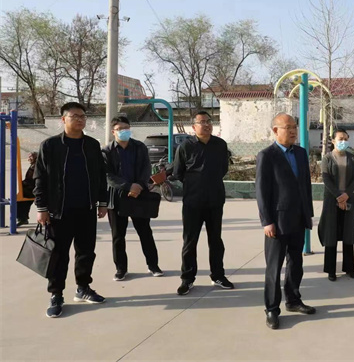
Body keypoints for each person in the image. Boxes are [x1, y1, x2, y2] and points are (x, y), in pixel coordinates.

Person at [33, 102, 108, 318]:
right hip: (59, 211)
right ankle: (56, 294)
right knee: (58, 255)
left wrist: (102, 202)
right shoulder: (50, 145)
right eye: (74, 116)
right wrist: (41, 207)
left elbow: (100, 175)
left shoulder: (92, 145)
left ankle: (83, 288)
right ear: (63, 119)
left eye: (82, 116)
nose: (80, 119)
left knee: (86, 252)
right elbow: (40, 178)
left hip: (86, 208)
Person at [256, 113, 316, 330]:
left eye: (294, 127)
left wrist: (308, 213)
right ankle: (272, 309)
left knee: (296, 263)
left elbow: (305, 185)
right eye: (287, 127)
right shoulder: (266, 155)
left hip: (298, 218)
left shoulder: (300, 153)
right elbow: (262, 191)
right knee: (274, 267)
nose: (292, 131)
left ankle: (293, 299)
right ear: (275, 130)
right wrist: (267, 221)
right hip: (277, 222)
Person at [173, 111, 234, 296]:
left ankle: (218, 276)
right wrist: (195, 184)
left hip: (215, 200)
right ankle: (187, 279)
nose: (206, 125)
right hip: (192, 202)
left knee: (216, 240)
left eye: (209, 121)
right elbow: (178, 172)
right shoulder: (185, 146)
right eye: (202, 122)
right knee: (190, 241)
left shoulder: (220, 145)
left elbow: (223, 169)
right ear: (194, 127)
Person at [103, 116, 163, 281]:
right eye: (120, 129)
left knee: (145, 232)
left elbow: (146, 167)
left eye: (126, 128)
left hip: (139, 195)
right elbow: (107, 175)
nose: (124, 131)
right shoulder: (107, 151)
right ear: (113, 131)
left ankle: (153, 265)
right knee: (118, 235)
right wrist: (128, 186)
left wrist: (139, 185)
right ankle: (121, 269)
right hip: (117, 197)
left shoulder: (139, 147)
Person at [318, 128, 354, 281]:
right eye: (340, 138)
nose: (343, 141)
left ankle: (349, 268)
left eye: (346, 139)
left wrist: (346, 195)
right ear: (333, 140)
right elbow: (326, 179)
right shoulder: (327, 158)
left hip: (349, 198)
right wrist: (339, 197)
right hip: (331, 200)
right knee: (331, 234)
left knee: (348, 232)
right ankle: (331, 270)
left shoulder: (352, 158)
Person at [17, 151, 37, 226]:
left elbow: (33, 180)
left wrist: (23, 183)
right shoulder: (34, 165)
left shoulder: (36, 166)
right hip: (32, 189)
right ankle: (23, 218)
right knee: (23, 201)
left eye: (31, 157)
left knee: (20, 200)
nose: (29, 159)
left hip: (34, 189)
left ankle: (22, 218)